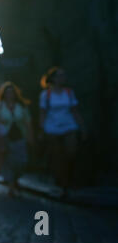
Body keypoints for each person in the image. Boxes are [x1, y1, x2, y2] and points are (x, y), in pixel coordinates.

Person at [39, 67, 87, 197]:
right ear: (53, 78)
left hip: (69, 126)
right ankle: (62, 184)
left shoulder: (69, 92)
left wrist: (82, 127)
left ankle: (68, 180)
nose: (62, 78)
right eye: (59, 75)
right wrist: (42, 129)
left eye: (63, 75)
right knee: (57, 156)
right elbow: (43, 113)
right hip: (52, 128)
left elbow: (75, 111)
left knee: (71, 152)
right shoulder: (46, 95)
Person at [0, 82, 33, 197]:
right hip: (5, 138)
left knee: (22, 161)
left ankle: (15, 179)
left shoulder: (21, 106)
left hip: (19, 136)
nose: (10, 94)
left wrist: (30, 136)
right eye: (7, 92)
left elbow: (28, 122)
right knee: (8, 162)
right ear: (3, 94)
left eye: (12, 92)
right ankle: (11, 185)